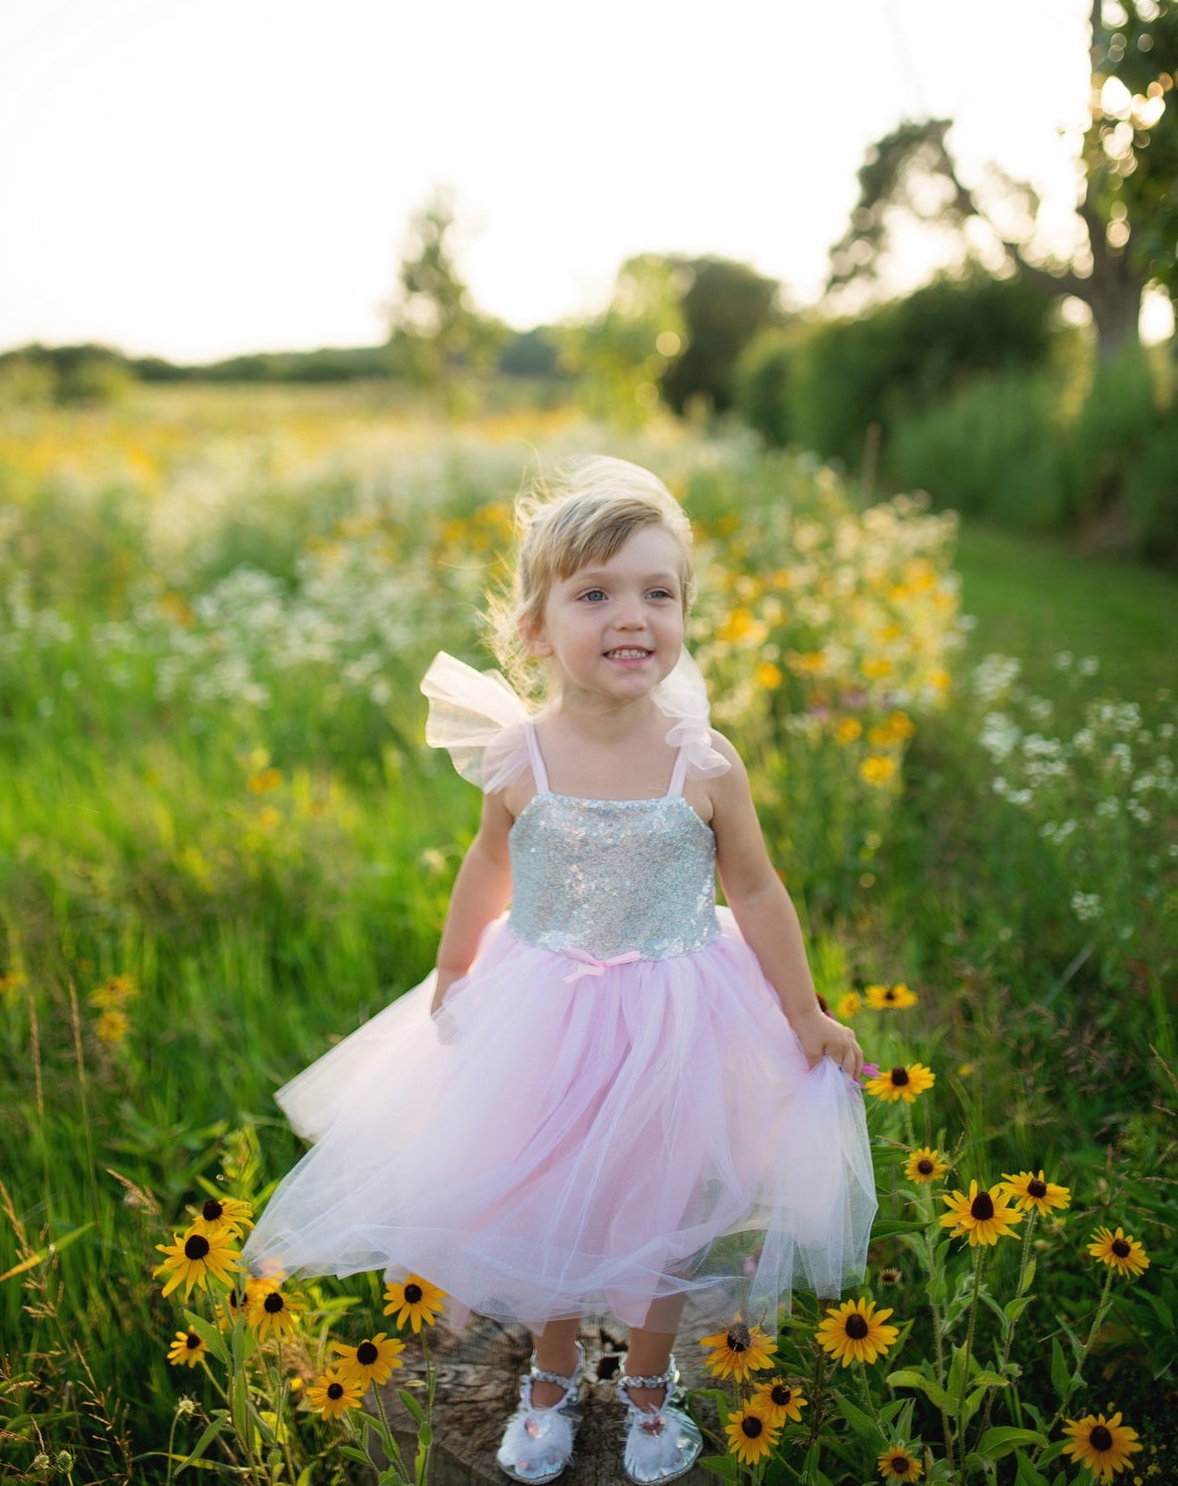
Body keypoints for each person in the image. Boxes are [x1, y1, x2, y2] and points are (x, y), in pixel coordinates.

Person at [243, 458, 876, 1485]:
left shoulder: (702, 762)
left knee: (657, 1211)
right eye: (594, 594)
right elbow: (490, 863)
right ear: (536, 628)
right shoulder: (520, 757)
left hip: (675, 1016)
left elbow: (755, 892)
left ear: (681, 614)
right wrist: (455, 968)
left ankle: (644, 1387)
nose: (630, 617)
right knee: (549, 1205)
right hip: (542, 1014)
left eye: (656, 593)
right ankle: (545, 1382)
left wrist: (800, 1012)